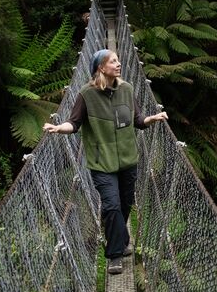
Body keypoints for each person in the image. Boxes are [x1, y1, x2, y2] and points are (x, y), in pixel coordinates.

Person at [43, 48, 168, 274]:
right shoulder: (86, 94)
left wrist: (152, 118)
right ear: (101, 67)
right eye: (113, 61)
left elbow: (138, 120)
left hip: (128, 160)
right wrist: (59, 128)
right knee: (111, 206)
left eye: (118, 60)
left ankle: (120, 237)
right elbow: (74, 123)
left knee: (125, 205)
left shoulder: (127, 89)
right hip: (102, 163)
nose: (118, 64)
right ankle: (114, 255)